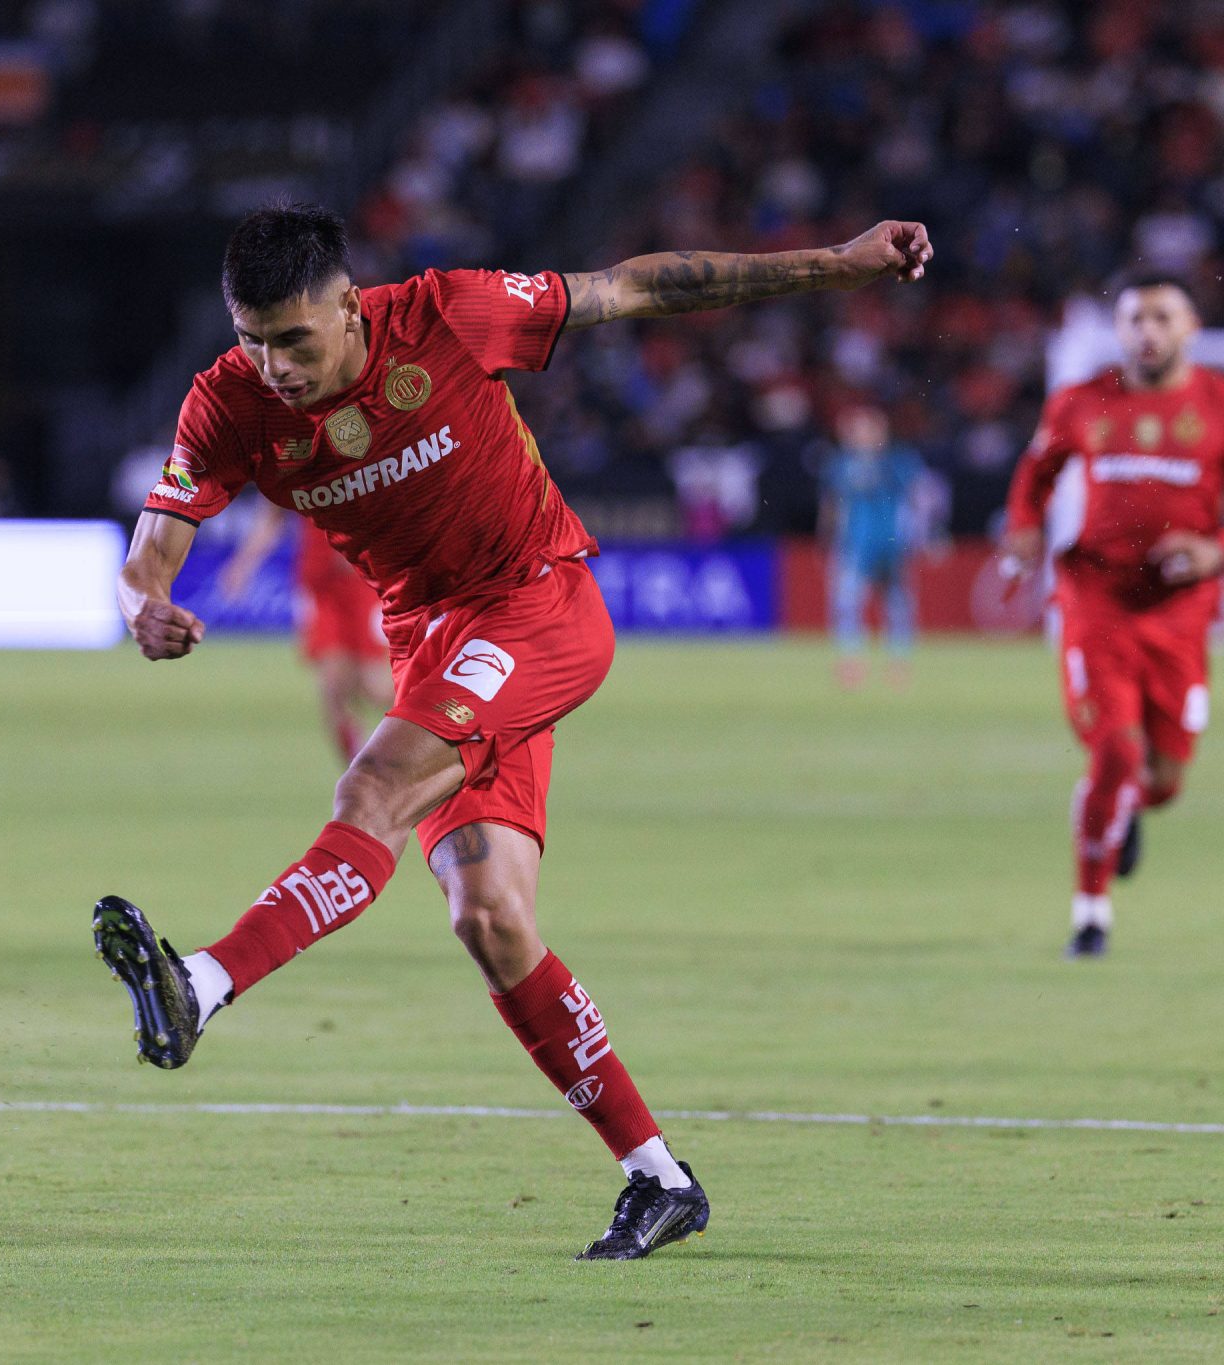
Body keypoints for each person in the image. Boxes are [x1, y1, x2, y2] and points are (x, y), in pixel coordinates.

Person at [94, 202, 931, 1260]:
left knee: (369, 793)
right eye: (253, 340)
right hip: (433, 646)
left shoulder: (444, 317)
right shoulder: (226, 401)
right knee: (486, 916)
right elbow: (155, 537)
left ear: (348, 309)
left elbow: (634, 287)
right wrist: (144, 604)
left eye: (294, 341)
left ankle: (201, 986)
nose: (275, 367)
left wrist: (836, 265)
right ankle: (657, 1179)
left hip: (536, 604)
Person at [999, 273, 1224, 959]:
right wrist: (1025, 525)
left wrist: (1213, 553)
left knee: (1160, 780)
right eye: (1134, 319)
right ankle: (1092, 913)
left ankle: (1119, 807)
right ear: (1118, 329)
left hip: (1181, 614)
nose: (1146, 332)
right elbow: (1036, 474)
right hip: (1096, 600)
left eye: (1161, 317)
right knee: (1117, 752)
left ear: (1191, 328)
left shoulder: (1217, 405)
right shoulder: (1082, 401)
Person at [219, 498, 392, 762]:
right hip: (319, 588)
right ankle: (359, 773)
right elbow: (272, 517)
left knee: (375, 686)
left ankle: (428, 720)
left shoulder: (360, 459)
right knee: (333, 682)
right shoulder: (289, 464)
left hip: (362, 585)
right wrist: (243, 564)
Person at [819, 405, 928, 688]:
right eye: (861, 430)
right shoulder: (841, 465)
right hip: (855, 545)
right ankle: (851, 664)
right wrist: (827, 538)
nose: (867, 435)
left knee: (898, 606)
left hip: (892, 544)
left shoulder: (899, 461)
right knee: (847, 605)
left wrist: (924, 536)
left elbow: (916, 499)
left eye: (873, 429)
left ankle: (898, 666)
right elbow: (832, 505)